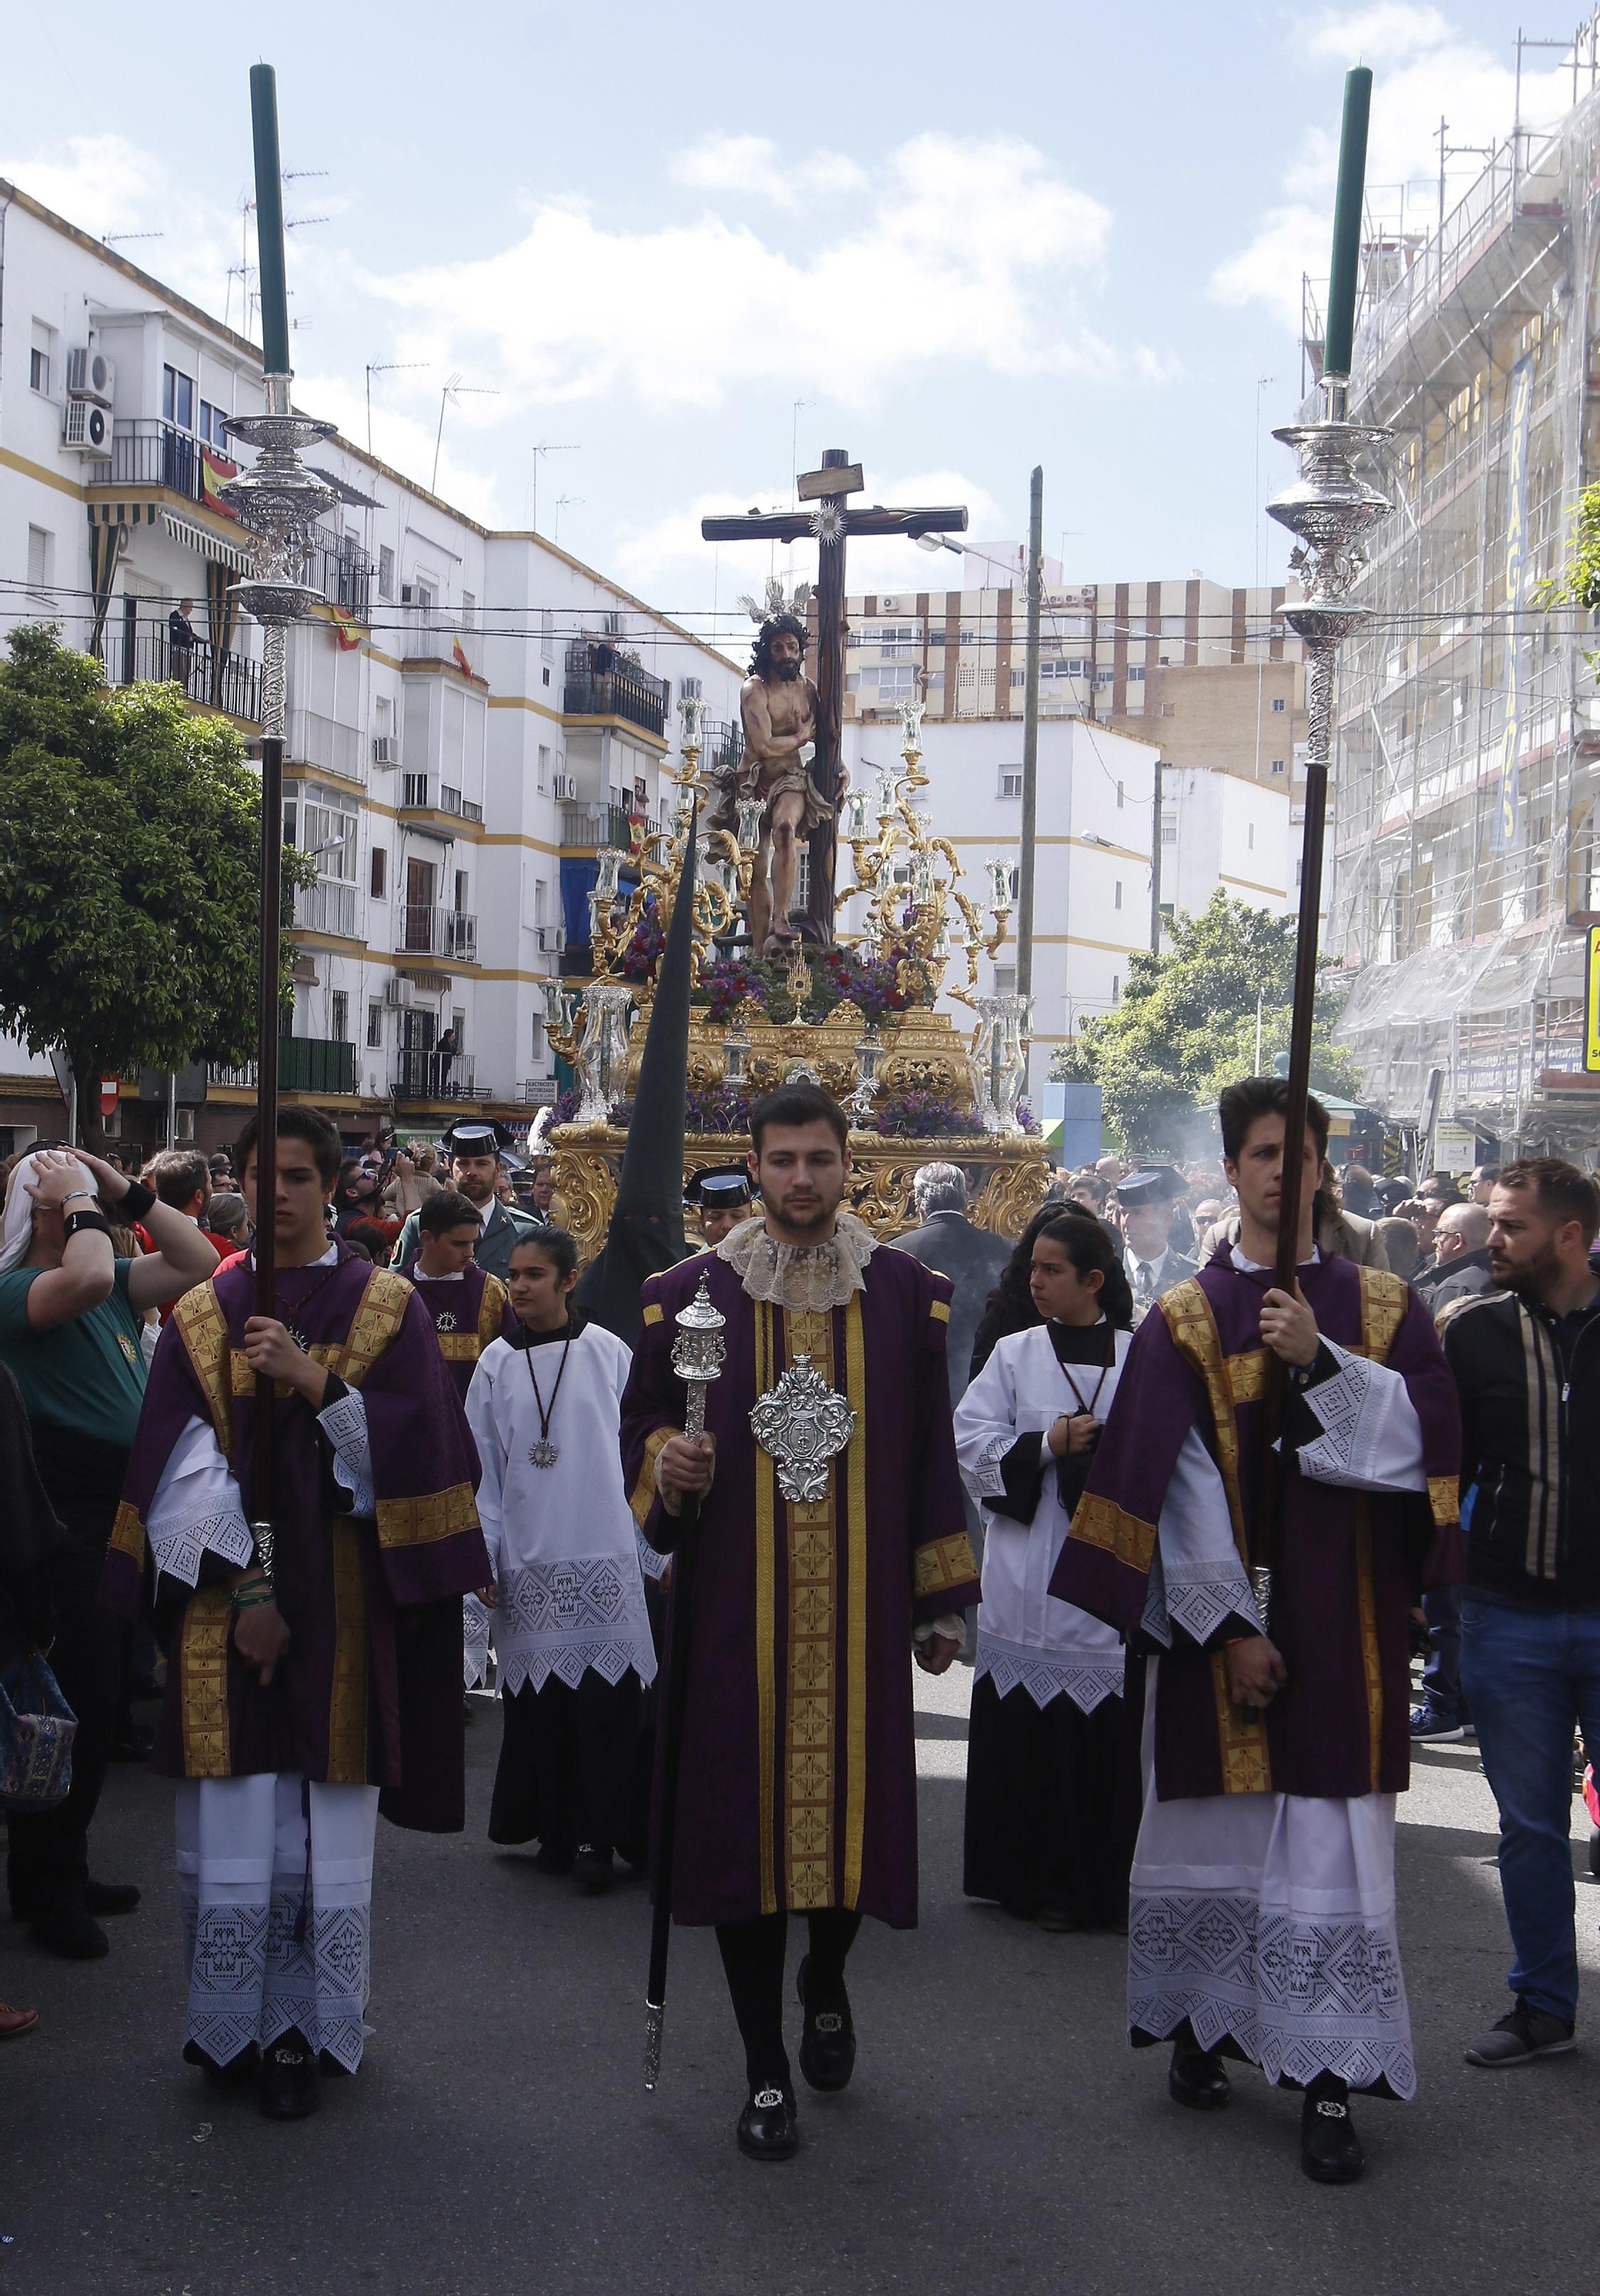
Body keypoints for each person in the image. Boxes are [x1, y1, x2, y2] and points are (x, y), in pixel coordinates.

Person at [1052, 1077, 1462, 2187]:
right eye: (1262, 1151)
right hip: (1219, 1619)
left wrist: (1317, 1360)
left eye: (1301, 1150)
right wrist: (1231, 1624)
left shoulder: (1382, 1307)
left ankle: (1328, 2081)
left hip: (1347, 1619)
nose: (1282, 1169)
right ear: (1228, 1170)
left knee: (1327, 1840)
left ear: (1324, 1167)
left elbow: (1427, 1444)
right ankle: (1202, 2028)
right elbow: (1167, 1475)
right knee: (1220, 1840)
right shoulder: (1184, 1316)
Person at [104, 1107, 489, 2117]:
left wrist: (313, 1380)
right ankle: (229, 2021)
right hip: (227, 1601)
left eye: (297, 1177)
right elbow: (178, 1464)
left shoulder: (385, 1305)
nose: (277, 1193)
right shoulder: (204, 1308)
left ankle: (302, 2033)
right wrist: (254, 1591)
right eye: (260, 1174)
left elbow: (422, 1457)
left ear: (331, 1188)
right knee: (237, 1818)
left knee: (318, 1822)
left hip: (348, 1597)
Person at [619, 1082, 977, 2161]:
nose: (801, 1179)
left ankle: (826, 1977)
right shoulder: (682, 1296)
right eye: (781, 1160)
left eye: (819, 1158)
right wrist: (665, 1469)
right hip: (735, 1614)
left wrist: (939, 1599)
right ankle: (762, 2066)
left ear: (847, 1162)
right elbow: (645, 1422)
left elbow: (926, 1450)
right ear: (755, 1165)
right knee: (742, 1835)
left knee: (846, 1830)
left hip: (861, 1617)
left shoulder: (907, 1294)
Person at [0, 1148, 218, 1958]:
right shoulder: (18, 1288)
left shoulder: (108, 1282)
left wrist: (118, 1188)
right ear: (49, 1215)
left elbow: (196, 1259)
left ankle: (59, 1865)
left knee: (94, 1702)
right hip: (62, 1508)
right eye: (72, 1205)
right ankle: (49, 1884)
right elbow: (86, 1278)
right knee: (74, 1701)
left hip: (115, 1506)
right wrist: (82, 1203)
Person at [1444, 1160, 1600, 2070]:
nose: (1491, 1241)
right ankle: (1543, 2004)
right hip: (1507, 1616)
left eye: (1511, 1227)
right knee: (1530, 1825)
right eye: (1492, 1224)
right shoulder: (1472, 1331)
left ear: (1570, 1236)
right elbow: (1435, 1464)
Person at [955, 1214, 1135, 1932]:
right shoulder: (1014, 1352)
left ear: (1093, 1280)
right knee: (1028, 1737)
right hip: (1028, 1573)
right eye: (1033, 1265)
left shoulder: (1139, 1352)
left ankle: (1089, 1882)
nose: (1035, 1278)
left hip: (1105, 1573)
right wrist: (1048, 1444)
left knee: (1095, 1744)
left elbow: (1164, 1454)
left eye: (1053, 1269)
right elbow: (972, 1442)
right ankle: (1019, 1876)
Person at [467, 1226, 655, 1891]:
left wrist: (651, 1545)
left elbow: (641, 1452)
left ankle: (600, 1840)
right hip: (529, 1552)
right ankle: (553, 1828)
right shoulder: (494, 1363)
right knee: (540, 1709)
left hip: (601, 1548)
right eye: (513, 1275)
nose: (518, 1286)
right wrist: (484, 1552)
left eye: (533, 1275)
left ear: (568, 1281)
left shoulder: (608, 1353)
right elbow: (482, 1466)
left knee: (606, 1709)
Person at [888, 1163, 1011, 1404]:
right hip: (992, 1383)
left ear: (918, 1202)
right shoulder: (1006, 1249)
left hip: (919, 1386)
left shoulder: (896, 1252)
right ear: (965, 1201)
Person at [389, 1120, 539, 1282]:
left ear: (497, 1170)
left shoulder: (525, 1231)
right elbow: (395, 1287)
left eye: (482, 1163)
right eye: (464, 1163)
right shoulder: (419, 1223)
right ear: (451, 1167)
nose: (472, 1172)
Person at [1117, 1168, 1199, 1322]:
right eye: (1123, 1213)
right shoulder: (1107, 1269)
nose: (1126, 1222)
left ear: (1166, 1219)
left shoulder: (1192, 1274)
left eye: (1137, 1213)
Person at [1415, 1202, 1494, 1311]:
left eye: (1439, 1234)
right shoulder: (1512, 1275)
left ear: (1458, 1241)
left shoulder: (1455, 1288)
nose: (1434, 1241)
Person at [684, 1165, 759, 1251]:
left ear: (753, 1219)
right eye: (716, 1217)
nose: (727, 1225)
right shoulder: (693, 1264)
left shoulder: (772, 1262)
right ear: (702, 1222)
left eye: (737, 1216)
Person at [167, 598, 197, 691]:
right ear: (184, 606)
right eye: (190, 607)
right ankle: (178, 691)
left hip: (187, 650)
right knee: (179, 672)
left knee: (185, 674)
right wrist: (189, 637)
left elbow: (190, 633)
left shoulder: (185, 619)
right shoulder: (175, 615)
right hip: (179, 649)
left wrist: (202, 640)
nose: (191, 610)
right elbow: (177, 631)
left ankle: (183, 691)